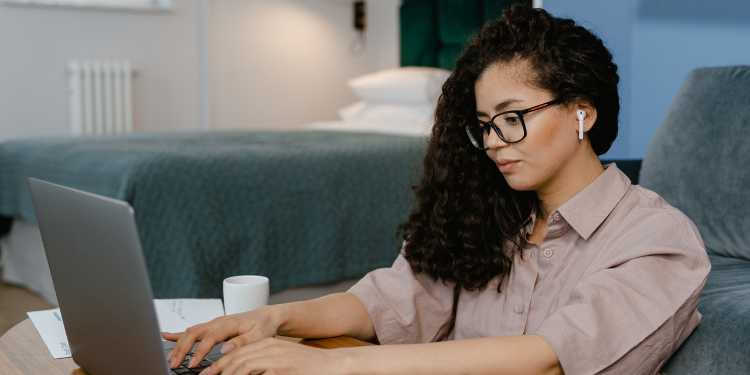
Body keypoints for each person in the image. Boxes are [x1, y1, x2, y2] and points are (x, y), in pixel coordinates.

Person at [162, 5, 711, 375]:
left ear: (582, 113)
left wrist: (335, 365)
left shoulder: (658, 239)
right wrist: (278, 318)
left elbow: (549, 357)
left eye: (512, 118)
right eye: (484, 125)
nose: (495, 142)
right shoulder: (492, 216)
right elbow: (388, 304)